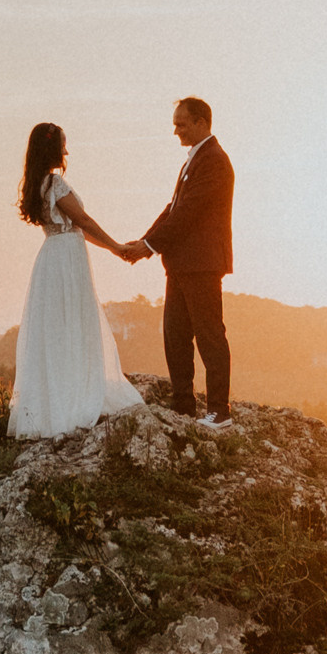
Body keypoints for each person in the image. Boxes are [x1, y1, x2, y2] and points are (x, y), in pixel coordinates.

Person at [9, 120, 142, 438]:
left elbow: (77, 225)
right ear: (52, 148)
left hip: (53, 256)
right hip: (66, 259)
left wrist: (110, 248)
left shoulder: (36, 184)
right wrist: (116, 247)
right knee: (74, 322)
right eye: (62, 144)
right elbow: (82, 219)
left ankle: (55, 399)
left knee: (58, 327)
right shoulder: (54, 184)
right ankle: (75, 399)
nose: (66, 150)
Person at [119, 96, 234, 422]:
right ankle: (183, 406)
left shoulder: (214, 161)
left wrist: (149, 247)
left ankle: (219, 411)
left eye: (181, 124)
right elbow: (172, 209)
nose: (176, 131)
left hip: (202, 265)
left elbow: (187, 213)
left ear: (201, 122)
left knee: (210, 337)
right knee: (175, 335)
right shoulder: (192, 162)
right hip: (181, 264)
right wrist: (144, 242)